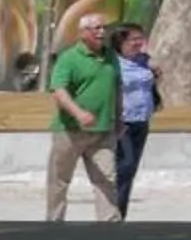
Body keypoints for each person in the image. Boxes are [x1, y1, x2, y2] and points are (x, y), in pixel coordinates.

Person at [44, 13, 121, 223]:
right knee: (59, 180)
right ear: (83, 33)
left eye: (104, 28)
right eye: (96, 28)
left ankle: (109, 224)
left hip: (103, 131)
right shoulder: (69, 58)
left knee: (107, 178)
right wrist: (78, 113)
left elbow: (117, 88)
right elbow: (59, 90)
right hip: (69, 131)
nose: (102, 32)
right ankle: (54, 222)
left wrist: (119, 118)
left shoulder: (111, 57)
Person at [110, 23, 159, 218]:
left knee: (131, 170)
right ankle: (112, 210)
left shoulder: (144, 61)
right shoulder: (112, 63)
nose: (139, 43)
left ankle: (120, 212)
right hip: (123, 121)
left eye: (141, 38)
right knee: (125, 164)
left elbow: (150, 84)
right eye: (134, 39)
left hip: (142, 120)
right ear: (121, 42)